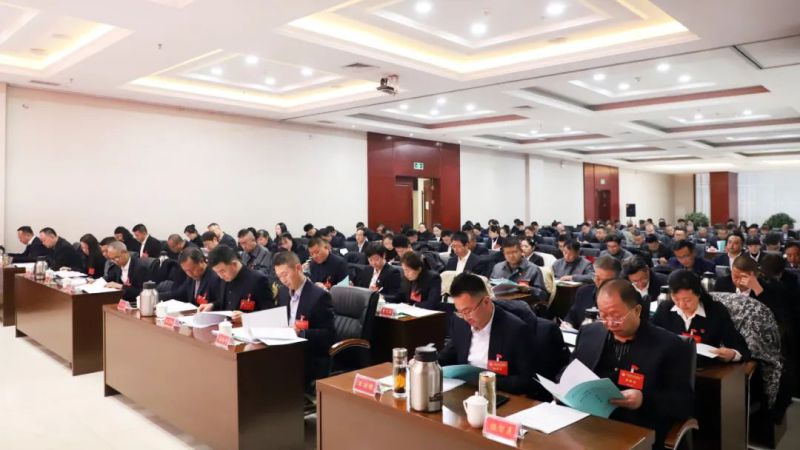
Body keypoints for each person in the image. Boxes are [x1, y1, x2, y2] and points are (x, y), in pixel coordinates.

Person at [572, 279, 694, 450]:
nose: (610, 323)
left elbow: (684, 403)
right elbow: (570, 372)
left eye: (617, 316)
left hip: (639, 429)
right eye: (603, 315)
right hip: (590, 424)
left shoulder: (669, 345)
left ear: (637, 310)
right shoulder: (589, 333)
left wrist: (644, 399)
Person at [439, 272, 535, 395]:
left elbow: (527, 381)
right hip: (465, 391)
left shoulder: (515, 330)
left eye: (468, 311)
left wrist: (483, 381)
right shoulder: (460, 323)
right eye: (460, 312)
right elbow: (447, 356)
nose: (465, 318)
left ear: (486, 301)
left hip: (498, 394)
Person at [653, 270, 750, 365]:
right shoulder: (665, 309)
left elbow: (739, 346)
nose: (681, 305)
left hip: (706, 369)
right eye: (676, 299)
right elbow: (652, 339)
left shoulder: (715, 311)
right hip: (671, 367)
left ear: (698, 294)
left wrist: (732, 354)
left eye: (687, 300)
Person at [274, 251, 336, 391]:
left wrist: (301, 333)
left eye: (285, 274)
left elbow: (329, 335)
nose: (283, 280)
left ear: (298, 268)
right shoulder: (283, 292)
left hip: (308, 354)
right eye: (279, 276)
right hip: (285, 348)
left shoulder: (319, 296)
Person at [199, 245, 273, 319]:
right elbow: (225, 301)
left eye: (222, 271)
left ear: (234, 264)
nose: (221, 276)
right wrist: (212, 305)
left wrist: (246, 317)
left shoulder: (258, 280)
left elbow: (269, 313)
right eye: (217, 272)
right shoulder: (224, 278)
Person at [564, 256, 622, 329]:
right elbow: (572, 315)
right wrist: (568, 323)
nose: (596, 281)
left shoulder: (622, 299)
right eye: (595, 276)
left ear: (615, 280)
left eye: (602, 280)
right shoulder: (584, 291)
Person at [490, 237, 548, 303]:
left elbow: (543, 296)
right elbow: (490, 288)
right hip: (500, 304)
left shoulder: (533, 269)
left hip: (523, 305)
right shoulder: (497, 267)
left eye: (514, 252)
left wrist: (529, 289)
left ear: (521, 251)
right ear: (504, 254)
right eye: (507, 253)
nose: (511, 256)